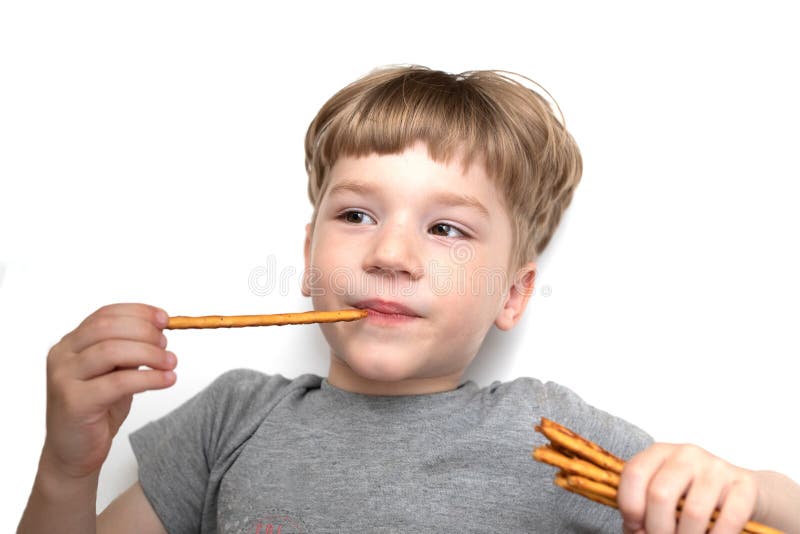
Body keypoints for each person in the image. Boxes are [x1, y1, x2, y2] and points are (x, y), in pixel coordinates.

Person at [18, 65, 800, 534]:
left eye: (448, 229)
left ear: (513, 293)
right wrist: (65, 464)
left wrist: (744, 489)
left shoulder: (552, 433)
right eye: (356, 216)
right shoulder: (229, 420)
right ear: (307, 256)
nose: (390, 255)